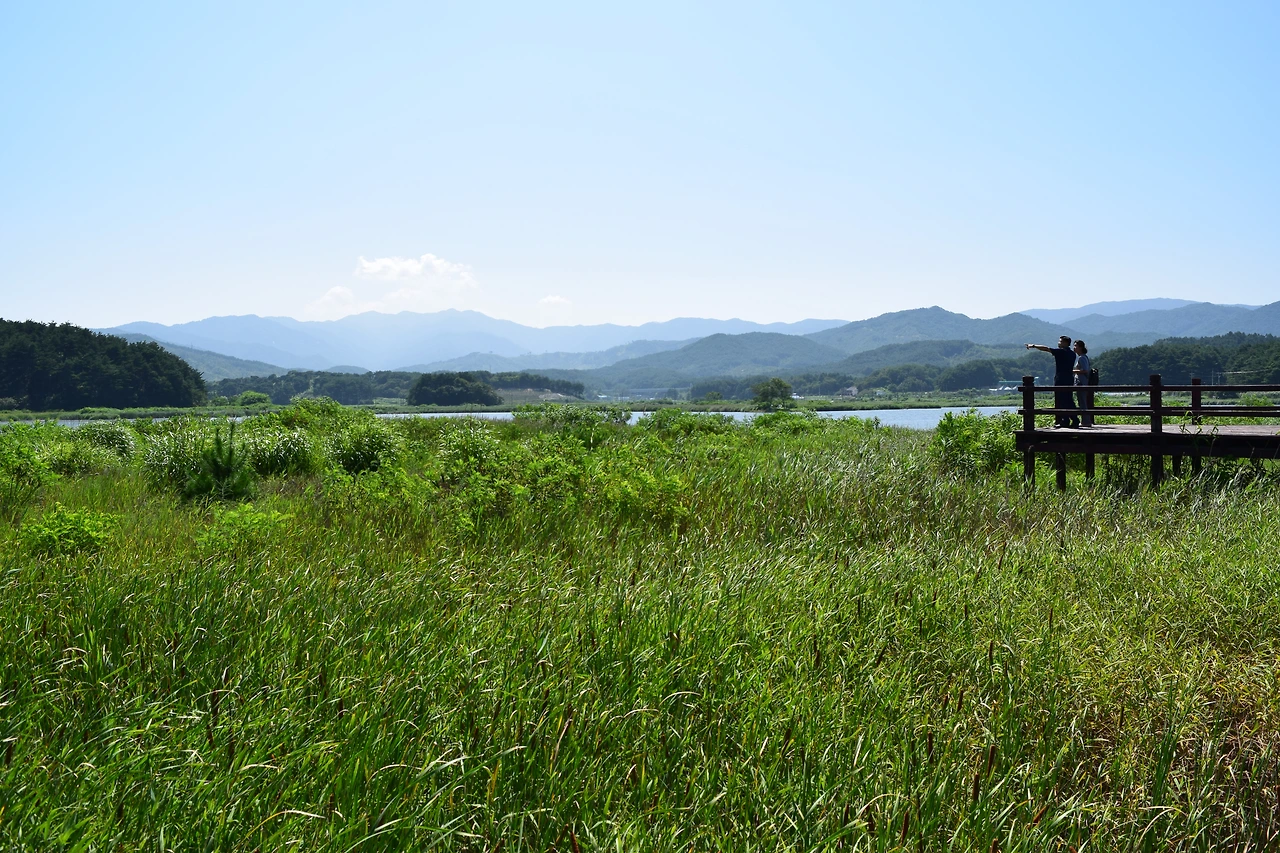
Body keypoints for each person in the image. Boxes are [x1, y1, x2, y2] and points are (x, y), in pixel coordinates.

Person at [1025, 335, 1078, 428]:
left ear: (1065, 343)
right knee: (1069, 399)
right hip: (1069, 378)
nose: (1058, 343)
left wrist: (1033, 346)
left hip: (1061, 378)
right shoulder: (1072, 354)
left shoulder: (1061, 352)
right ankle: (1074, 419)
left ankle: (1065, 420)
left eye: (1060, 341)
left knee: (1061, 399)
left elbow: (1046, 349)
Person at [1072, 340, 1092, 427]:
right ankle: (1085, 420)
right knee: (1082, 401)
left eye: (1076, 346)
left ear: (1080, 347)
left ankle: (1086, 421)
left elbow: (1085, 370)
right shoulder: (1083, 357)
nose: (1074, 347)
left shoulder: (1081, 358)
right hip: (1082, 382)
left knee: (1082, 402)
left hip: (1081, 382)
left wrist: (1073, 371)